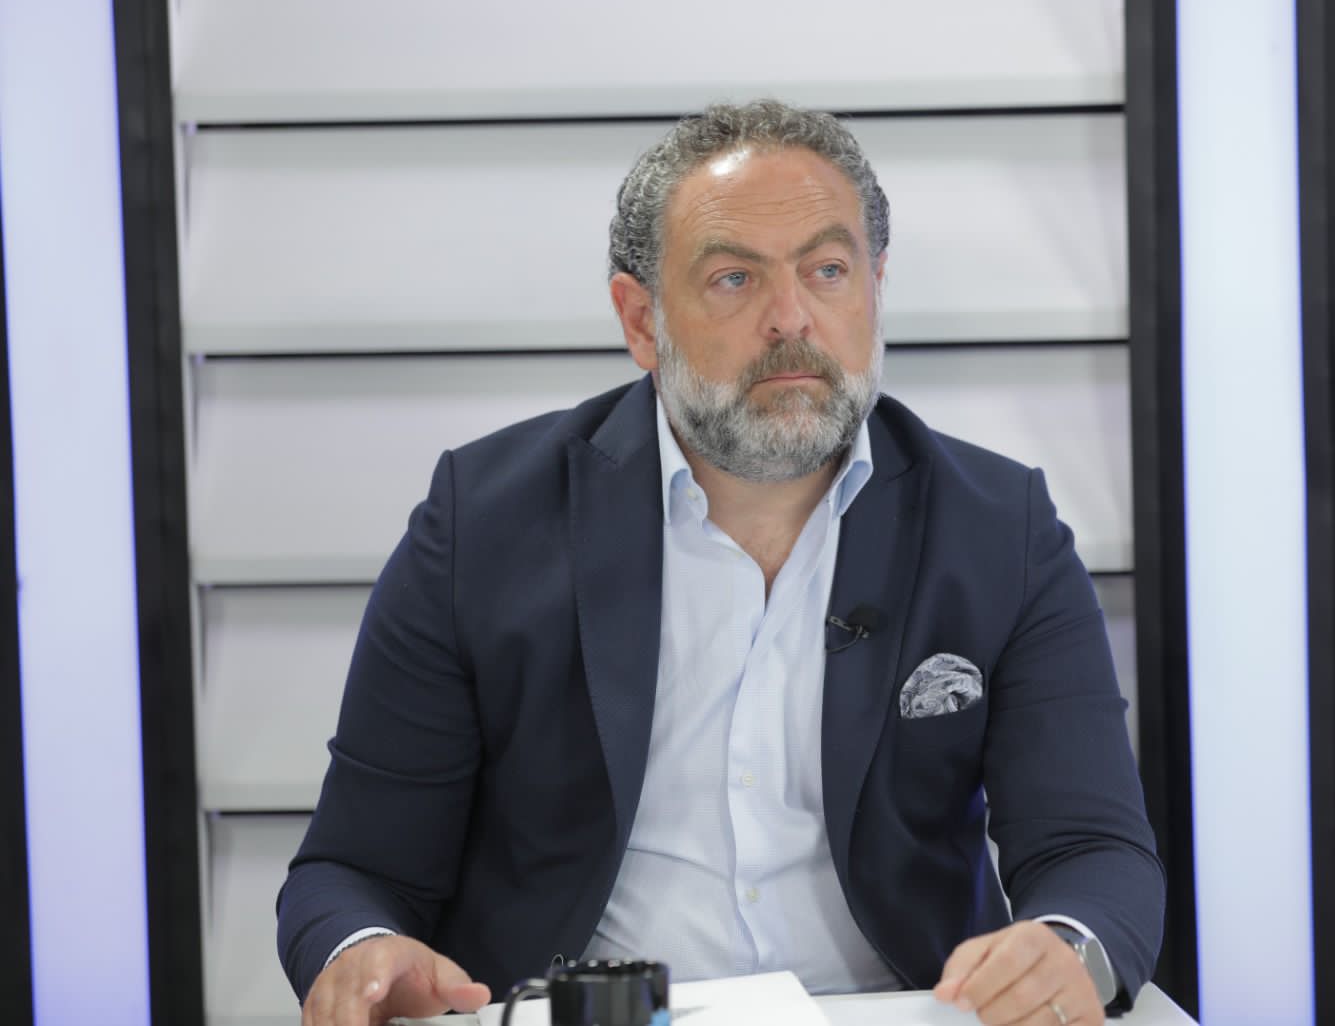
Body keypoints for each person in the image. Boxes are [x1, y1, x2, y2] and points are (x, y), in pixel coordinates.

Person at [277, 100, 1164, 1026]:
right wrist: (363, 952)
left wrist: (1065, 948)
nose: (792, 319)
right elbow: (354, 870)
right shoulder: (485, 522)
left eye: (827, 271)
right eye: (735, 278)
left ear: (875, 287)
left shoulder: (998, 527)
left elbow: (1094, 850)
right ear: (641, 320)